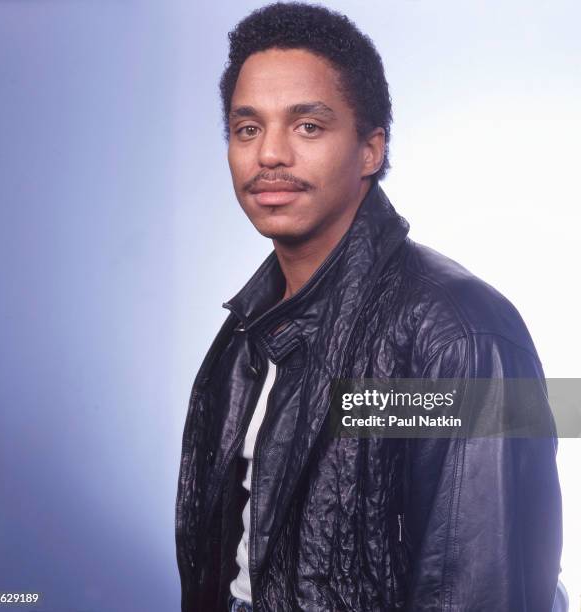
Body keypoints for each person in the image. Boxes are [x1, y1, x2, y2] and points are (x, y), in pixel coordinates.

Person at [175, 3, 563, 611]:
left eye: (307, 126)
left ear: (370, 150)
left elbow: (483, 589)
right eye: (248, 128)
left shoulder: (460, 335)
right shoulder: (246, 332)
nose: (269, 154)